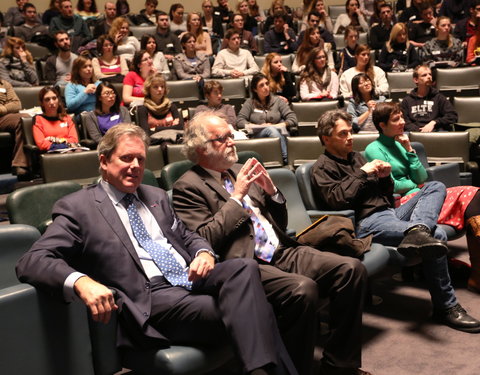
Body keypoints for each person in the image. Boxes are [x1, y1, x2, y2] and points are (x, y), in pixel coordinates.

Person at [16, 123, 298, 375]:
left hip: (190, 278)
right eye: (126, 158)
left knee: (244, 267)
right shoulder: (79, 207)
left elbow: (188, 236)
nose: (135, 166)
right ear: (103, 161)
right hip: (151, 298)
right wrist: (82, 281)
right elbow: (33, 260)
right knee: (254, 307)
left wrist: (202, 253)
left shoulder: (155, 196)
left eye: (140, 158)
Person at [172, 111, 370, 375]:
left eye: (232, 136)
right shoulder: (188, 186)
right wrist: (237, 197)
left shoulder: (238, 171)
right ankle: (292, 370)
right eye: (223, 138)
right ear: (201, 147)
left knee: (351, 269)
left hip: (281, 250)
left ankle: (339, 364)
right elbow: (204, 238)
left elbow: (278, 219)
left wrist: (272, 193)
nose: (232, 142)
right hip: (246, 264)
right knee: (302, 290)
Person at [310, 109, 480, 333]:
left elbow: (383, 193)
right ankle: (446, 307)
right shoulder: (321, 168)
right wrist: (363, 173)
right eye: (343, 134)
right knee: (436, 234)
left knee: (434, 186)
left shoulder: (356, 157)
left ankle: (418, 229)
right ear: (326, 138)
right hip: (365, 222)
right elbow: (337, 200)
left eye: (350, 132)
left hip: (390, 211)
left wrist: (384, 178)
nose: (350, 137)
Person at [365, 101, 480, 293]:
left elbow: (421, 177)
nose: (402, 121)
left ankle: (477, 273)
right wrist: (414, 185)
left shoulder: (401, 143)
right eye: (396, 119)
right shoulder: (374, 149)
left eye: (402, 117)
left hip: (423, 194)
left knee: (474, 193)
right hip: (404, 203)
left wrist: (410, 150)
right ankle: (477, 276)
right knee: (453, 190)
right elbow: (393, 185)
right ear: (382, 125)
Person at [237, 73, 298, 163]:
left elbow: (293, 118)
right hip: (258, 136)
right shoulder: (249, 103)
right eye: (261, 85)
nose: (266, 87)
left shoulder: (277, 100)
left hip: (279, 133)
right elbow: (239, 120)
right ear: (255, 89)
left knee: (272, 129)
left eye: (267, 83)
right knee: (270, 129)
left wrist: (277, 125)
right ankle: (285, 158)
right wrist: (257, 126)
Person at [400, 64, 457, 132]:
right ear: (416, 80)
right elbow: (404, 121)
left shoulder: (439, 97)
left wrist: (434, 122)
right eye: (424, 75)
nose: (429, 77)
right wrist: (418, 130)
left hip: (435, 131)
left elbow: (452, 116)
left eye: (430, 74)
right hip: (414, 132)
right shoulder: (407, 100)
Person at [136, 73, 184, 150]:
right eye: (155, 87)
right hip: (155, 142)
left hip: (175, 139)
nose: (160, 89)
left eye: (162, 87)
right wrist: (171, 127)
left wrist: (156, 129)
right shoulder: (143, 109)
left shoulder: (171, 106)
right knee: (167, 145)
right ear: (149, 90)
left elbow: (180, 127)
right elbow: (146, 133)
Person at [32, 86, 80, 152]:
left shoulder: (67, 118)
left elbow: (74, 140)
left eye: (54, 98)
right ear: (42, 103)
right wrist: (64, 144)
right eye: (47, 99)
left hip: (70, 149)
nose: (51, 102)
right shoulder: (38, 119)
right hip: (51, 153)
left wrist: (53, 139)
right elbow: (42, 144)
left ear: (58, 100)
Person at [0, 79, 30, 179]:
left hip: (3, 117)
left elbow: (17, 104)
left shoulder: (4, 84)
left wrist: (2, 109)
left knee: (25, 118)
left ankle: (20, 164)